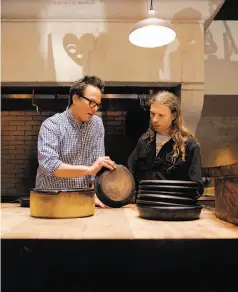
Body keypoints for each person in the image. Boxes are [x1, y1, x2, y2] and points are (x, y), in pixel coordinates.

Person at [35, 75, 116, 207]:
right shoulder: (52, 125)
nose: (95, 108)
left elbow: (97, 163)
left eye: (98, 105)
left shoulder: (97, 124)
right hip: (51, 200)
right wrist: (89, 169)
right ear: (75, 98)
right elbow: (50, 165)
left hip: (82, 200)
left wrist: (94, 193)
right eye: (91, 102)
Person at [128, 90, 204, 196]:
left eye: (161, 115)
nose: (155, 120)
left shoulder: (189, 146)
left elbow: (197, 186)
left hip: (175, 209)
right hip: (145, 206)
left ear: (173, 116)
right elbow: (129, 175)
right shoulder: (144, 141)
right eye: (152, 114)